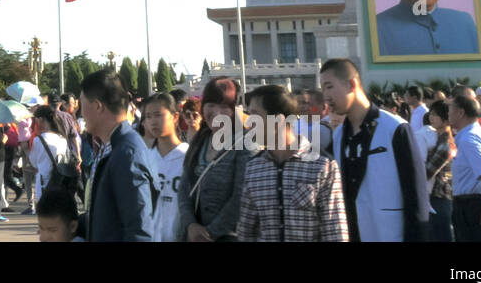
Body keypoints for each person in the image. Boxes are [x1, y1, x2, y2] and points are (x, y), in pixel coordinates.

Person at [320, 58, 428, 242]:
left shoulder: (395, 128)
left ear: (351, 84)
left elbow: (416, 196)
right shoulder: (337, 137)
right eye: (323, 89)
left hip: (391, 234)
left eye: (329, 87)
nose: (326, 96)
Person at [236, 86, 349, 242]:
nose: (249, 122)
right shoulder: (253, 168)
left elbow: (335, 232)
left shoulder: (323, 166)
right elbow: (246, 232)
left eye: (254, 115)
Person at [78, 68, 155, 242]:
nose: (80, 114)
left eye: (82, 105)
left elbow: (140, 229)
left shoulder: (127, 153)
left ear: (98, 106)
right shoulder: (111, 147)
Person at [175, 78, 253, 242]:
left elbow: (242, 197)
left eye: (224, 106)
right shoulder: (200, 140)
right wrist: (190, 225)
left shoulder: (245, 143)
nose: (217, 112)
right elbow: (184, 188)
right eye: (211, 104)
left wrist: (209, 233)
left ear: (234, 110)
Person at [447, 93, 481, 242]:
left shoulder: (468, 139)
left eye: (450, 110)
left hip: (474, 207)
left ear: (460, 112)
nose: (448, 114)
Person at [140, 92, 188, 242]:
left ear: (175, 117)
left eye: (158, 115)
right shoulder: (144, 159)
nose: (153, 121)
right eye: (148, 117)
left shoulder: (189, 157)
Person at [424, 100, 456, 242]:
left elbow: (428, 171)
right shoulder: (435, 139)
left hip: (440, 196)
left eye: (436, 115)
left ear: (446, 118)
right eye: (431, 114)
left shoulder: (446, 143)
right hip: (436, 196)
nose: (432, 117)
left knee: (441, 235)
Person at [28, 106, 71, 206]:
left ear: (41, 119)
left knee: (45, 214)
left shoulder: (38, 140)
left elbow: (34, 162)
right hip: (60, 181)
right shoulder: (62, 139)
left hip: (44, 181)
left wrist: (26, 150)